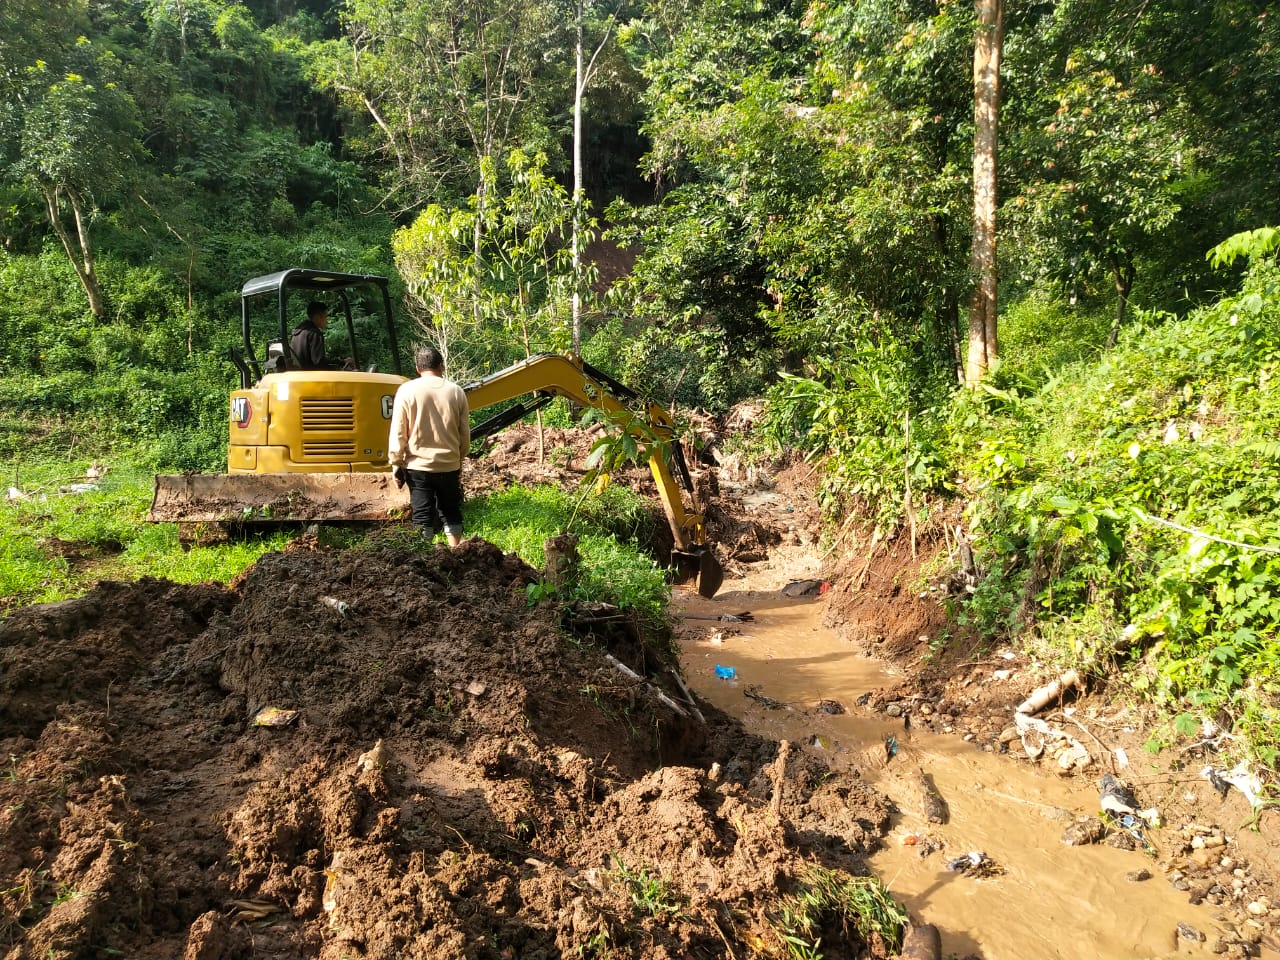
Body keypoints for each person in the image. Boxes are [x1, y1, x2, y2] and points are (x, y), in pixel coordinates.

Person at [388, 346, 471, 545]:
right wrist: (459, 458)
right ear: (441, 366)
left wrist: (396, 462)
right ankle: (456, 552)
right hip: (449, 465)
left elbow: (399, 430)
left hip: (418, 468)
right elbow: (464, 433)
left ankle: (425, 559)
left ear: (417, 368)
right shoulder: (456, 392)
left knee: (422, 515)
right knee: (451, 511)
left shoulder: (406, 390)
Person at [289, 301, 352, 370]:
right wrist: (340, 366)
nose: (326, 321)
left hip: (300, 374)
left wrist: (341, 362)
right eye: (325, 317)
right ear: (317, 317)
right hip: (312, 376)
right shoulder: (314, 334)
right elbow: (319, 363)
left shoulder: (298, 332)